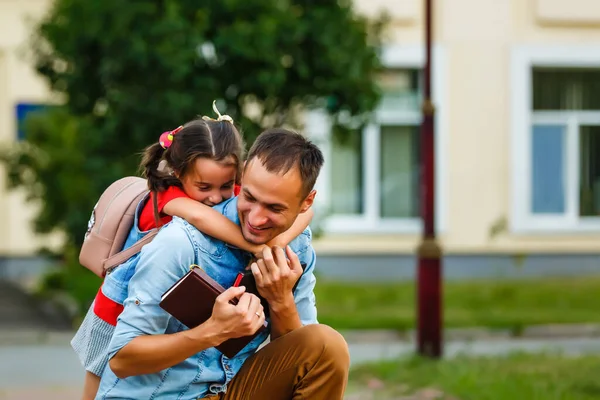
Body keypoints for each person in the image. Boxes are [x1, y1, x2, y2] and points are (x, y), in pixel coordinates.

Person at [72, 106, 313, 400]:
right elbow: (205, 220)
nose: (216, 197)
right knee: (98, 378)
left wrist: (281, 239)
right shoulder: (169, 198)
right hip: (118, 302)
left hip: (160, 295)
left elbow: (306, 214)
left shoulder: (243, 195)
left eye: (228, 186)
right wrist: (262, 248)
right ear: (179, 173)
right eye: (204, 187)